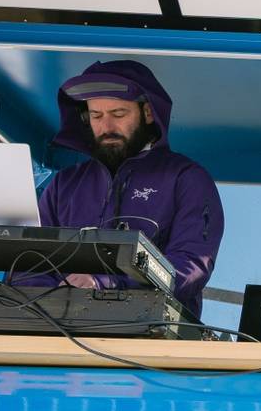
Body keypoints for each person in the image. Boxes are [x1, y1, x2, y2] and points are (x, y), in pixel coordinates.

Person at [30, 60, 223, 320]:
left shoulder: (185, 178)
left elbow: (190, 264)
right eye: (96, 116)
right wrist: (44, 305)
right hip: (54, 331)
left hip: (147, 334)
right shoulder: (63, 185)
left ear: (148, 112)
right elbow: (30, 262)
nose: (106, 127)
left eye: (118, 114)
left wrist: (106, 284)